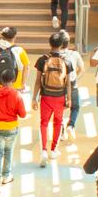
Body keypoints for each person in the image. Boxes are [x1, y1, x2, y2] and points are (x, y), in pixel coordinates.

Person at [32, 30, 73, 165]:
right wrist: (69, 99)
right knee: (58, 122)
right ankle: (53, 150)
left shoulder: (43, 59)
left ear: (50, 44)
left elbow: (38, 81)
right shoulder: (66, 60)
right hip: (60, 97)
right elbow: (68, 82)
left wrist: (34, 98)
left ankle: (43, 150)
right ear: (61, 45)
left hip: (46, 96)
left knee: (44, 123)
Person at [0, 72, 26, 186]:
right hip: (11, 127)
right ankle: (6, 176)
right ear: (13, 80)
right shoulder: (16, 95)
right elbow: (22, 114)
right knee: (9, 152)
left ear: (0, 80)